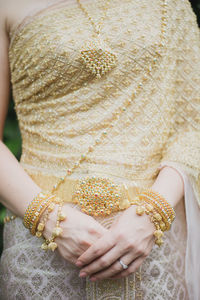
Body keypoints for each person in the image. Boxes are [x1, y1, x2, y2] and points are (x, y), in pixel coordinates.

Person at [0, 0, 199, 299]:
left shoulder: (171, 6)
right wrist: (49, 221)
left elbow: (192, 124)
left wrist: (153, 214)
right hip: (42, 250)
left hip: (151, 243)